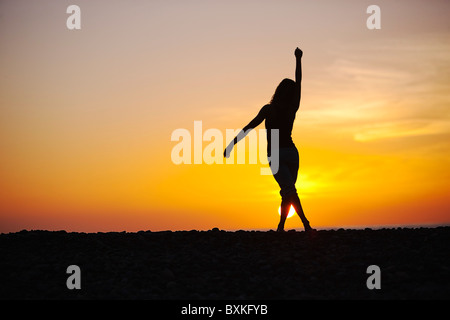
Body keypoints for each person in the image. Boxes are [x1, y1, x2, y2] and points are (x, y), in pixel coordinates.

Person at [224, 47, 315, 233]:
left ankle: (305, 224)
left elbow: (249, 127)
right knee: (288, 190)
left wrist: (232, 144)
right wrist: (298, 59)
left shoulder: (268, 109)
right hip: (291, 153)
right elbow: (299, 82)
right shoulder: (292, 107)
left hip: (275, 154)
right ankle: (283, 226)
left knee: (289, 191)